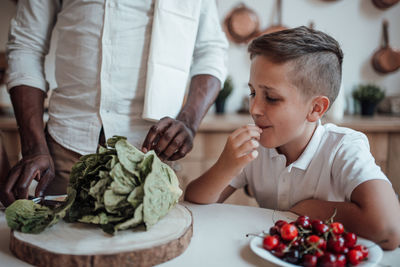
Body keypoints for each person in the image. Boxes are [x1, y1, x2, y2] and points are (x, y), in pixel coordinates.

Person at [185, 26, 400, 250]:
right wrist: (225, 166)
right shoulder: (255, 147)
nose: (255, 108)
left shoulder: (343, 147)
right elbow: (195, 202)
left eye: (271, 97)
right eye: (252, 93)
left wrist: (306, 208)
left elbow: (390, 230)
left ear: (316, 108)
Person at [0, 0, 228, 206]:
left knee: (147, 249)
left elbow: (211, 51)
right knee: (57, 245)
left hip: (151, 156)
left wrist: (188, 122)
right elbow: (26, 46)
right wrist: (33, 147)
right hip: (64, 150)